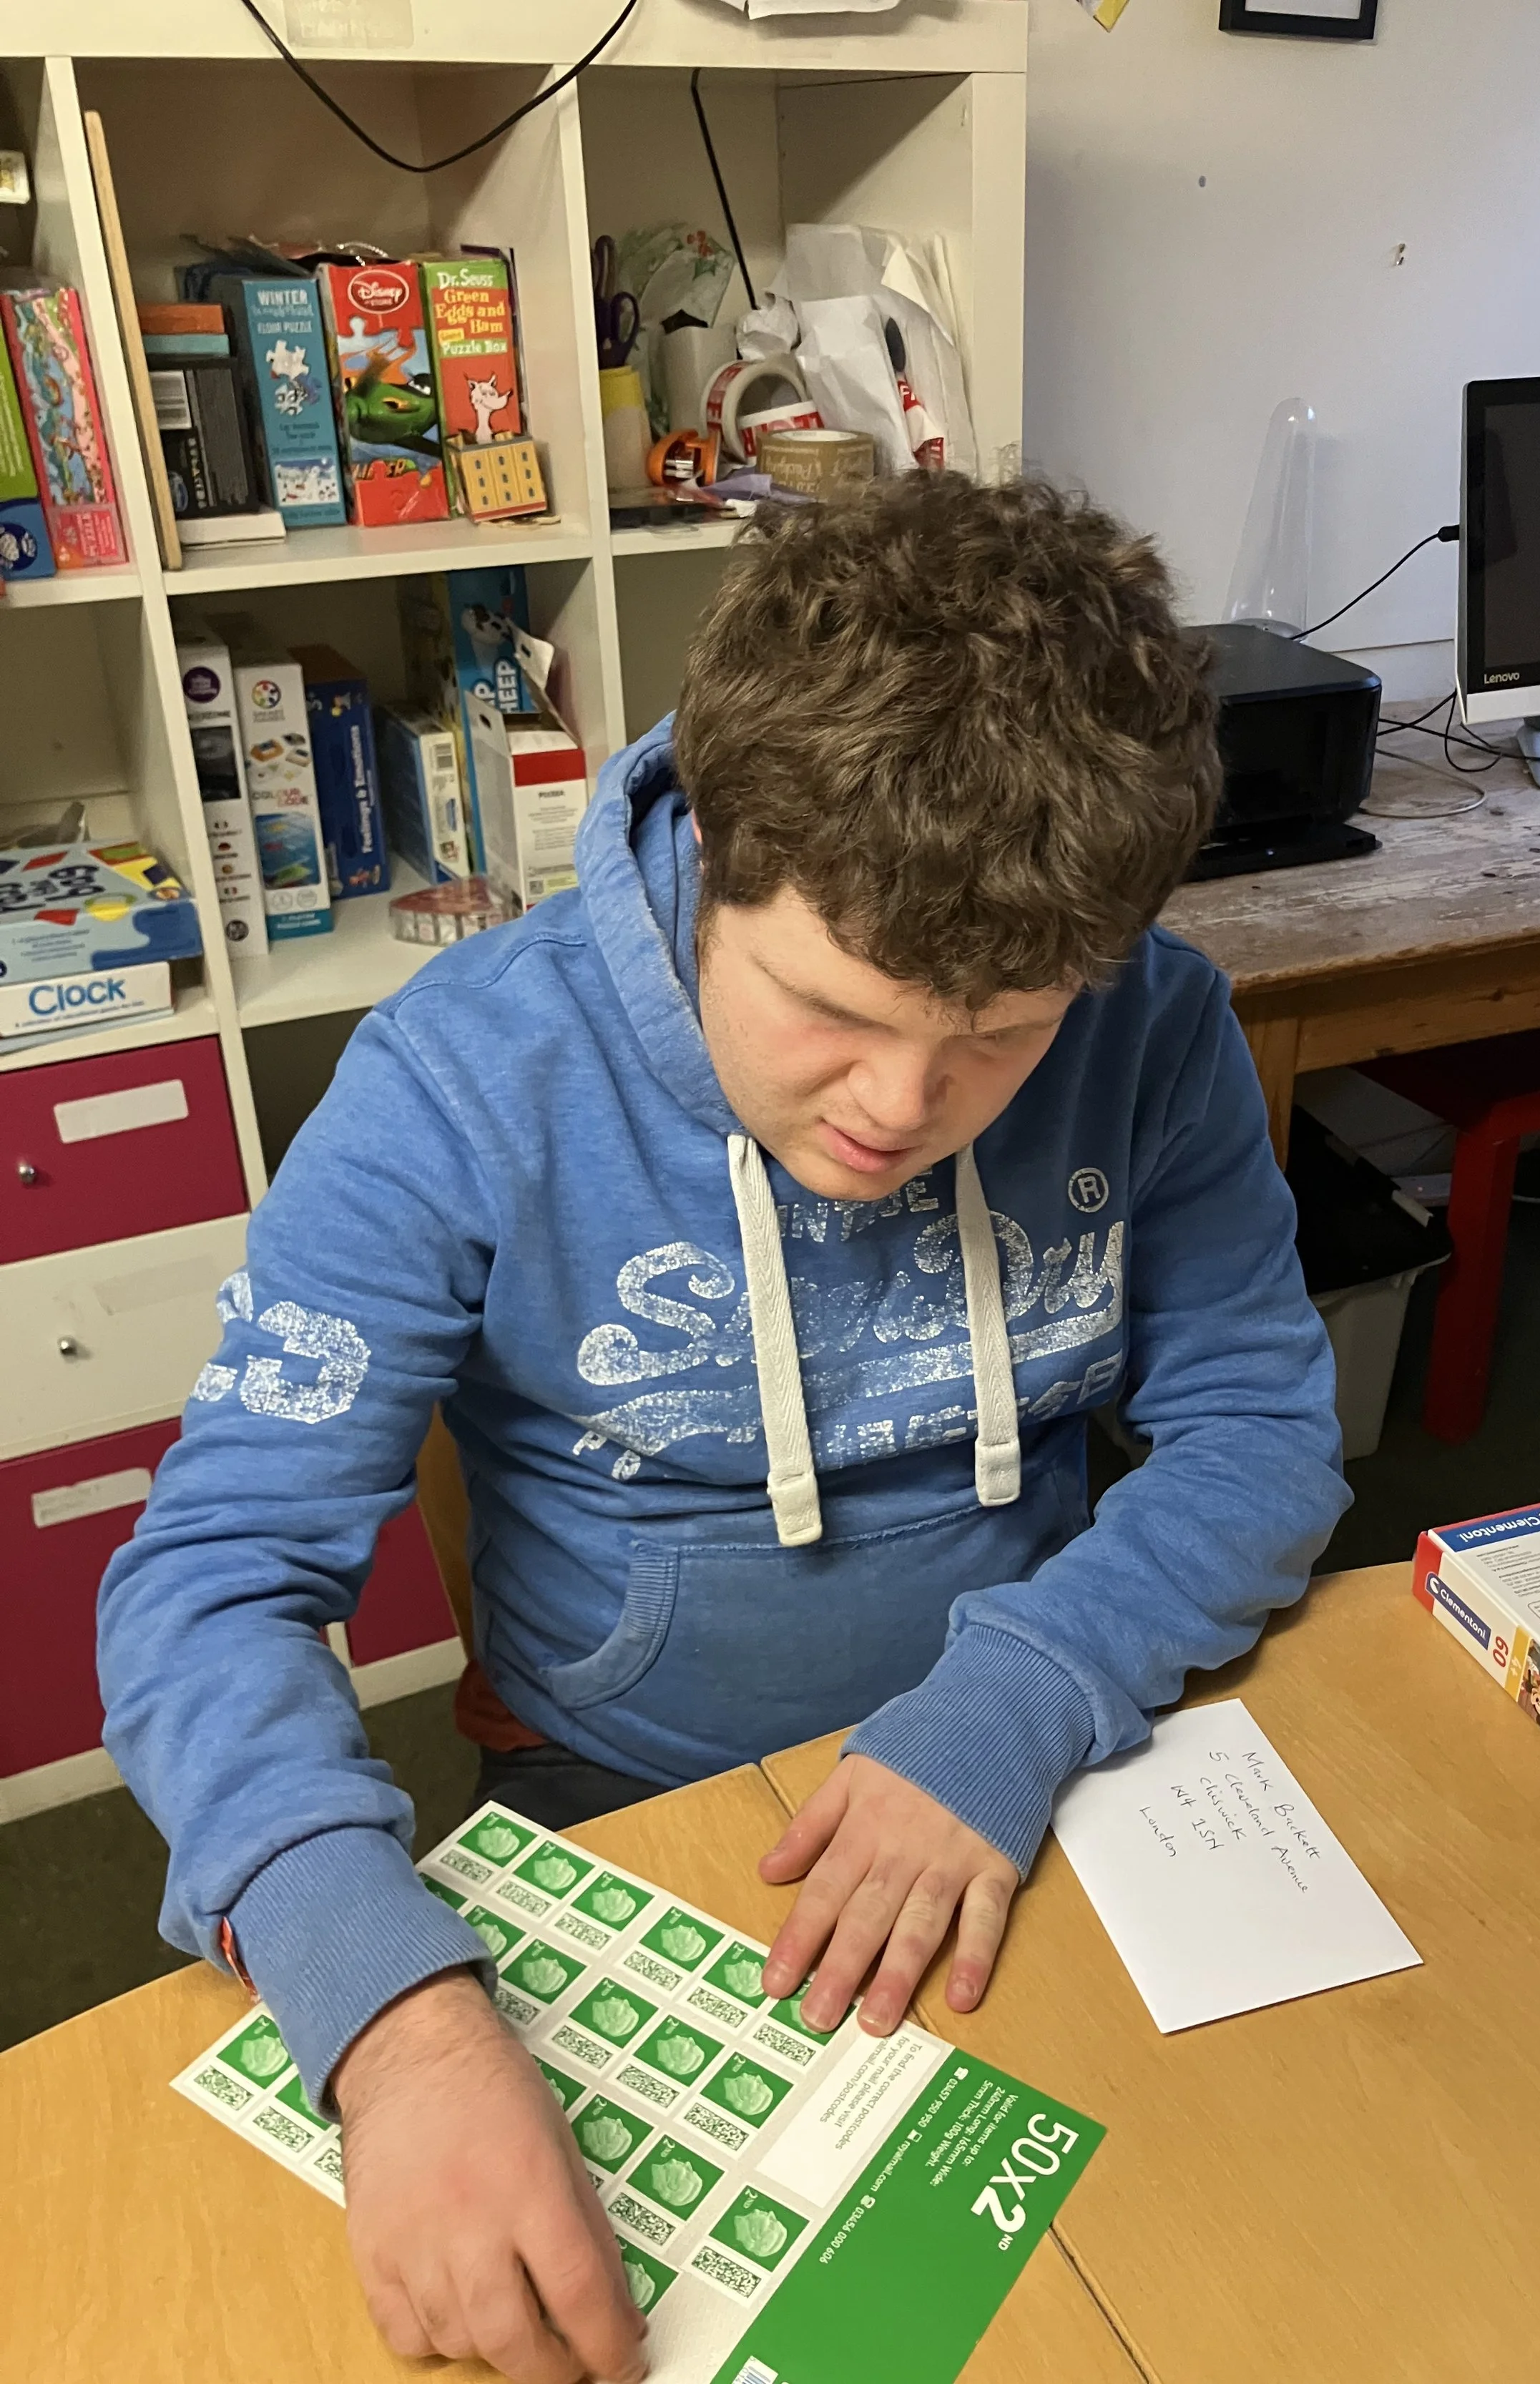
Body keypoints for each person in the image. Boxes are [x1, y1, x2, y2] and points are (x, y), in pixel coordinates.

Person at [98, 473, 1349, 2384]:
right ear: (713, 857)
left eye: (1003, 1032)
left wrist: (1009, 1710)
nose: (902, 1104)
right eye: (829, 1008)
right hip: (639, 1814)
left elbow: (1262, 1438)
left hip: (1059, 1754)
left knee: (1230, 2269)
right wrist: (392, 2023)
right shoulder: (457, 1077)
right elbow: (206, 1585)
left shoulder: (1150, 1019)